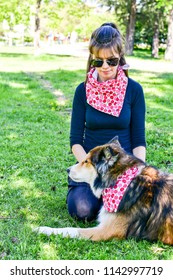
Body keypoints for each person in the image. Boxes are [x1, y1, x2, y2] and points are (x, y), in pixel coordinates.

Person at [66, 22, 146, 222]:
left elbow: (138, 141)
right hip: (91, 169)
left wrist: (139, 173)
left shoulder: (134, 90)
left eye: (111, 61)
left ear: (120, 58)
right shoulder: (82, 91)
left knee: (134, 209)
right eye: (98, 61)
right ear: (91, 59)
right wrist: (92, 171)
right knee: (82, 210)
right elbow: (75, 140)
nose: (104, 67)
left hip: (123, 170)